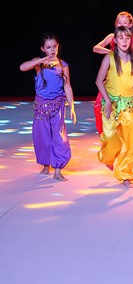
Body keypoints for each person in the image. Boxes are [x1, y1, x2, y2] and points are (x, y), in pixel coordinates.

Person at [95, 25, 133, 188]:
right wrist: (107, 100)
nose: (124, 41)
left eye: (127, 38)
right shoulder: (109, 58)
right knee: (110, 138)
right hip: (111, 105)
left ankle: (125, 174)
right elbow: (99, 81)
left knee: (129, 142)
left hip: (127, 106)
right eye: (121, 38)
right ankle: (108, 157)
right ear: (115, 40)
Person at [19, 33, 77, 181]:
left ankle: (58, 170)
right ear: (43, 49)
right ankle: (46, 165)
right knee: (42, 137)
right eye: (49, 47)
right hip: (41, 106)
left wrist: (72, 106)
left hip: (57, 106)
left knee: (60, 138)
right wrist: (42, 60)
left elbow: (67, 86)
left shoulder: (63, 66)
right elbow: (22, 67)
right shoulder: (38, 64)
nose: (52, 50)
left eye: (54, 46)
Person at [93, 11, 133, 135]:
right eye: (119, 22)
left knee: (125, 114)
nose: (122, 24)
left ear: (130, 25)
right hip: (113, 78)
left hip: (127, 80)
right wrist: (113, 54)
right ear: (115, 24)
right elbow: (96, 48)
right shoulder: (112, 37)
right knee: (106, 112)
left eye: (125, 22)